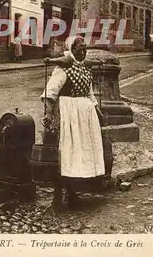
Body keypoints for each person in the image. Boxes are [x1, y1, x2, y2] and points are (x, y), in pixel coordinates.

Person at [41, 35, 105, 209]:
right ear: (72, 49)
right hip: (68, 113)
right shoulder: (64, 68)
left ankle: (72, 192)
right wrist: (48, 114)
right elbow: (50, 92)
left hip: (84, 116)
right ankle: (58, 195)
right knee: (66, 152)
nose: (83, 51)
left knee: (80, 153)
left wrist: (97, 110)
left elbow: (89, 93)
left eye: (85, 48)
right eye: (79, 48)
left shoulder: (85, 68)